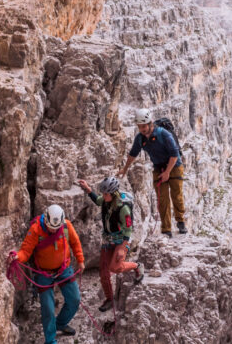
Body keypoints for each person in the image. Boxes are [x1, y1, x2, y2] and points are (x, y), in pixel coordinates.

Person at [8, 204, 84, 344]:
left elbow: (75, 242)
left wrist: (80, 259)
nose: (53, 230)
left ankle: (60, 323)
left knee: (74, 300)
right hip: (44, 273)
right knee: (48, 309)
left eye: (56, 228)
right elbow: (26, 251)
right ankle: (50, 340)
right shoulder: (36, 230)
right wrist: (18, 257)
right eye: (51, 227)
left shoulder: (66, 226)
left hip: (64, 269)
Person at [118, 108, 187, 238]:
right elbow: (133, 154)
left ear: (150, 123)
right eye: (140, 127)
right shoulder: (140, 139)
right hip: (159, 168)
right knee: (162, 199)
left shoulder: (164, 134)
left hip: (174, 166)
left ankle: (181, 221)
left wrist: (167, 172)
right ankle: (166, 229)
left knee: (176, 195)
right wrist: (125, 169)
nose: (142, 129)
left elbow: (174, 155)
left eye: (144, 126)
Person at [78, 176, 144, 312]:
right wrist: (88, 189)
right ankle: (109, 299)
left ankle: (137, 266)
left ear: (113, 194)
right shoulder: (107, 201)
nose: (103, 196)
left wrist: (122, 248)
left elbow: (128, 229)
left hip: (121, 240)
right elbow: (97, 201)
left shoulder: (123, 208)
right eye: (103, 193)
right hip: (108, 239)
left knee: (115, 267)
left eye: (106, 194)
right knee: (103, 272)